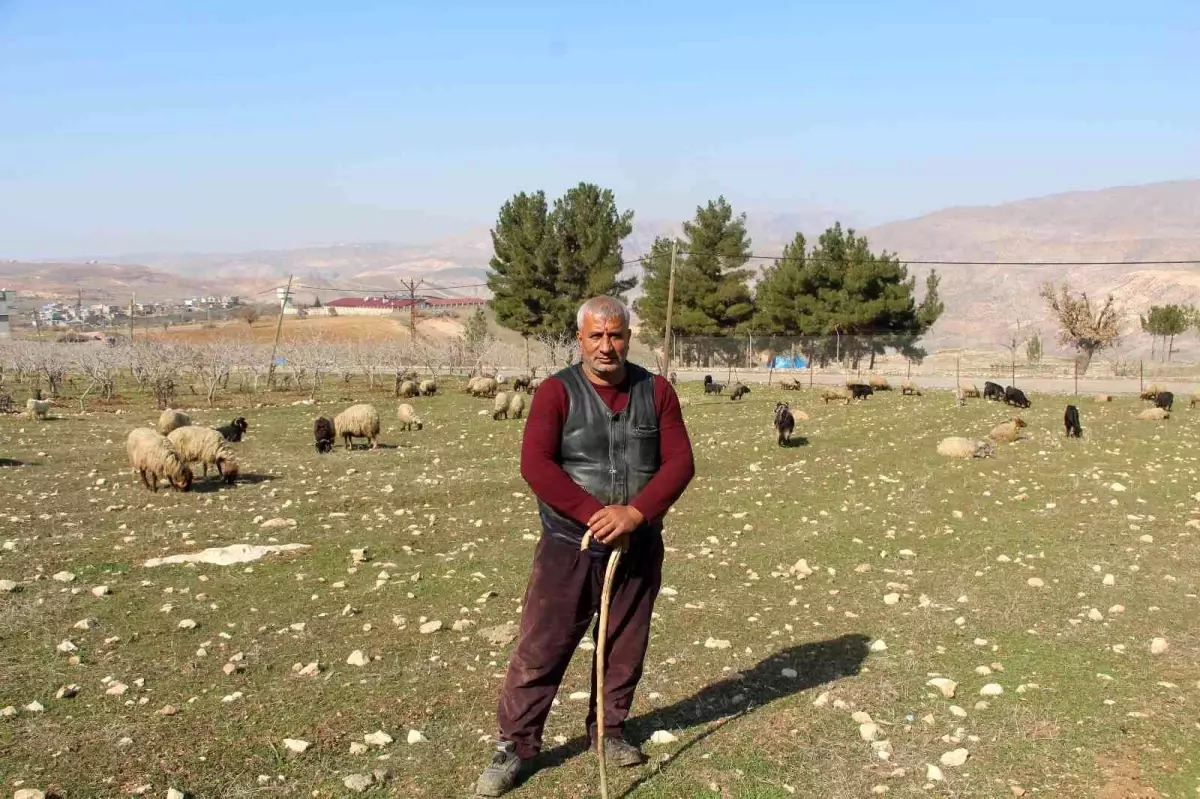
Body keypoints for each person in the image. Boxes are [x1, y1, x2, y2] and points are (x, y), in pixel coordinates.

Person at [475, 295, 696, 797]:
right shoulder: (556, 392)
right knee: (542, 647)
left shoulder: (656, 391)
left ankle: (609, 732)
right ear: (580, 339)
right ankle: (515, 745)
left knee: (624, 645)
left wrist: (635, 514)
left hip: (637, 546)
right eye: (596, 335)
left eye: (615, 335)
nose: (606, 346)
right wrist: (595, 516)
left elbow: (680, 462)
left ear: (628, 337)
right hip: (568, 545)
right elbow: (536, 464)